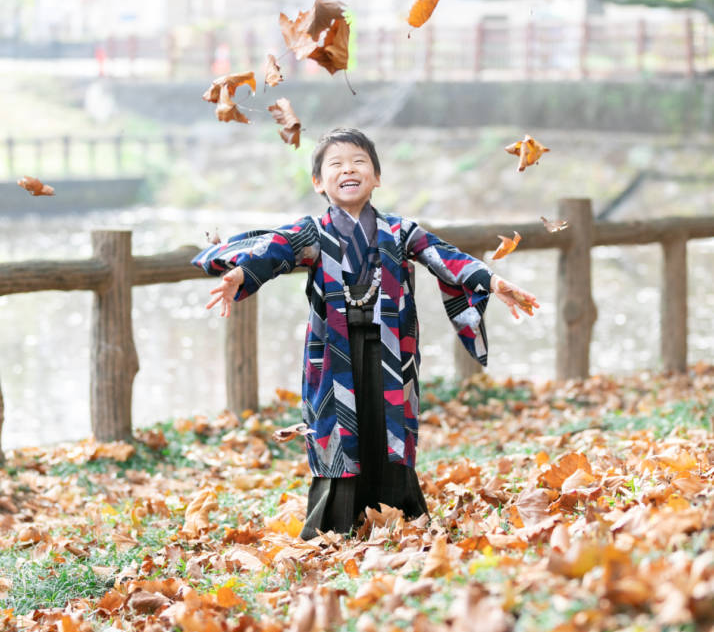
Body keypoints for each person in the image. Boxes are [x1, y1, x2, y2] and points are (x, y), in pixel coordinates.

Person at [192, 127, 539, 539]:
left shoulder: (400, 231)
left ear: (377, 176)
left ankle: (402, 517)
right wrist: (240, 274)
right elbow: (275, 251)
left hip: (393, 347)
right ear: (319, 182)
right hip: (333, 348)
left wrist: (494, 282)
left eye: (359, 162)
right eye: (335, 164)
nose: (348, 170)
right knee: (335, 428)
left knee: (390, 423)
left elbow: (445, 257)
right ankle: (331, 525)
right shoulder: (311, 232)